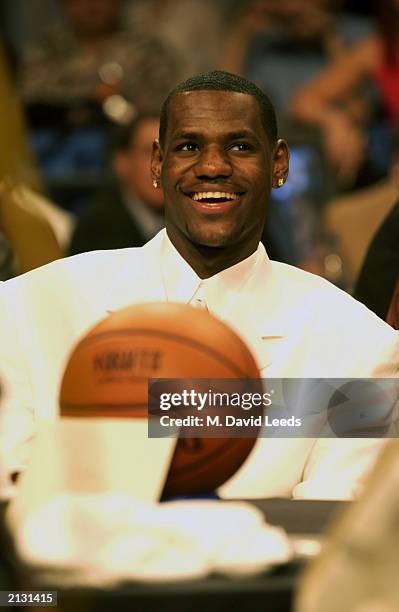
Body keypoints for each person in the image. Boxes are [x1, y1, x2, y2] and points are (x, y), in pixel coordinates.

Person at [0, 70, 398, 502]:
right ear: (157, 163)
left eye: (241, 147)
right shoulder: (27, 309)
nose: (212, 167)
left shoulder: (364, 348)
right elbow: (10, 492)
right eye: (189, 147)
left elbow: (335, 529)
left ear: (278, 164)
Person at [68, 113, 164, 254]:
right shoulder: (97, 228)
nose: (162, 165)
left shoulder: (190, 221)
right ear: (122, 163)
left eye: (172, 151)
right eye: (148, 152)